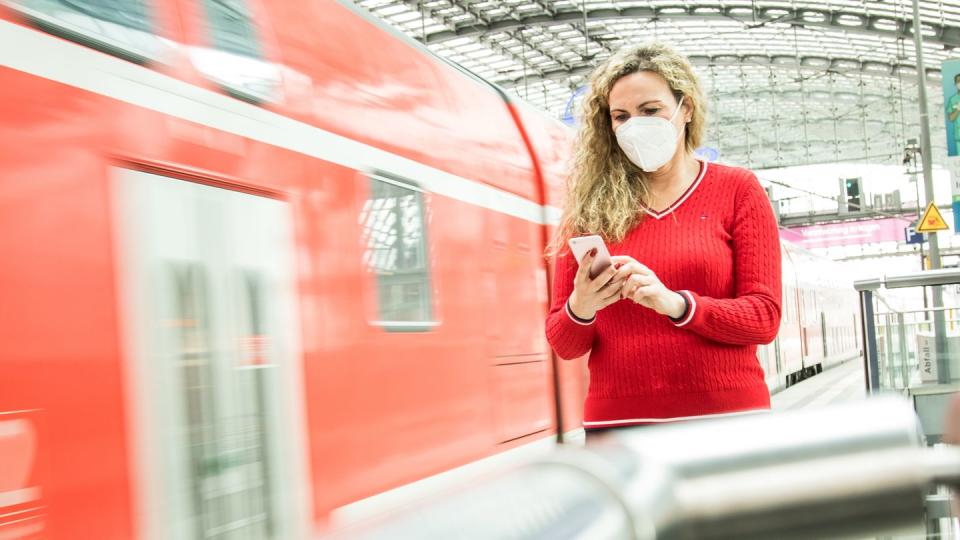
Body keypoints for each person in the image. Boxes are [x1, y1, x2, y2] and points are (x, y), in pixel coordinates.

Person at [545, 43, 782, 438]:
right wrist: (581, 305)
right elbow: (565, 344)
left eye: (650, 110)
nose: (634, 125)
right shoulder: (588, 209)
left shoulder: (737, 189)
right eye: (620, 116)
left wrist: (675, 303)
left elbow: (764, 318)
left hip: (727, 421)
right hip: (620, 429)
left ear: (685, 109)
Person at [947, 73, 960, 156]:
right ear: (955, 84)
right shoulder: (952, 99)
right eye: (959, 81)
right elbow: (951, 118)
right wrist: (958, 109)